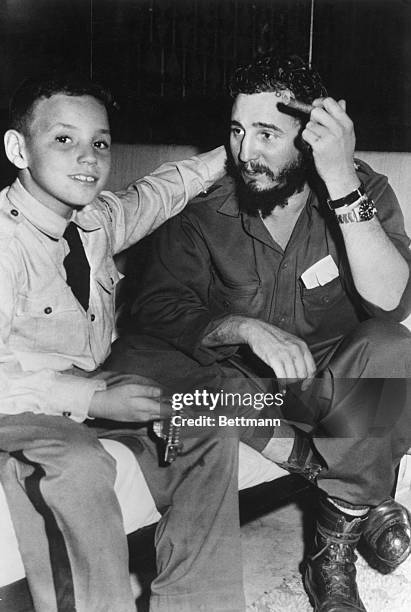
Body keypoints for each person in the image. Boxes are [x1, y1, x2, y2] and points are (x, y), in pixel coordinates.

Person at [106, 55, 411, 612]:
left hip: (330, 393)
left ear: (311, 137)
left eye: (268, 134)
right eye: (237, 130)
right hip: (244, 394)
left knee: (397, 353)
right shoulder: (204, 209)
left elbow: (391, 301)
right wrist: (242, 326)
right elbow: (155, 309)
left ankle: (332, 542)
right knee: (143, 364)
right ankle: (349, 482)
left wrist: (341, 180)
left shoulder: (362, 190)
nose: (246, 153)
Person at [0, 74, 246, 612]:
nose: (88, 158)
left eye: (99, 143)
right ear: (18, 149)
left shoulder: (92, 220)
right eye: (64, 140)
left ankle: (198, 602)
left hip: (79, 379)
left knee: (206, 420)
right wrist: (95, 401)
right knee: (81, 465)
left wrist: (235, 151)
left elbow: (157, 193)